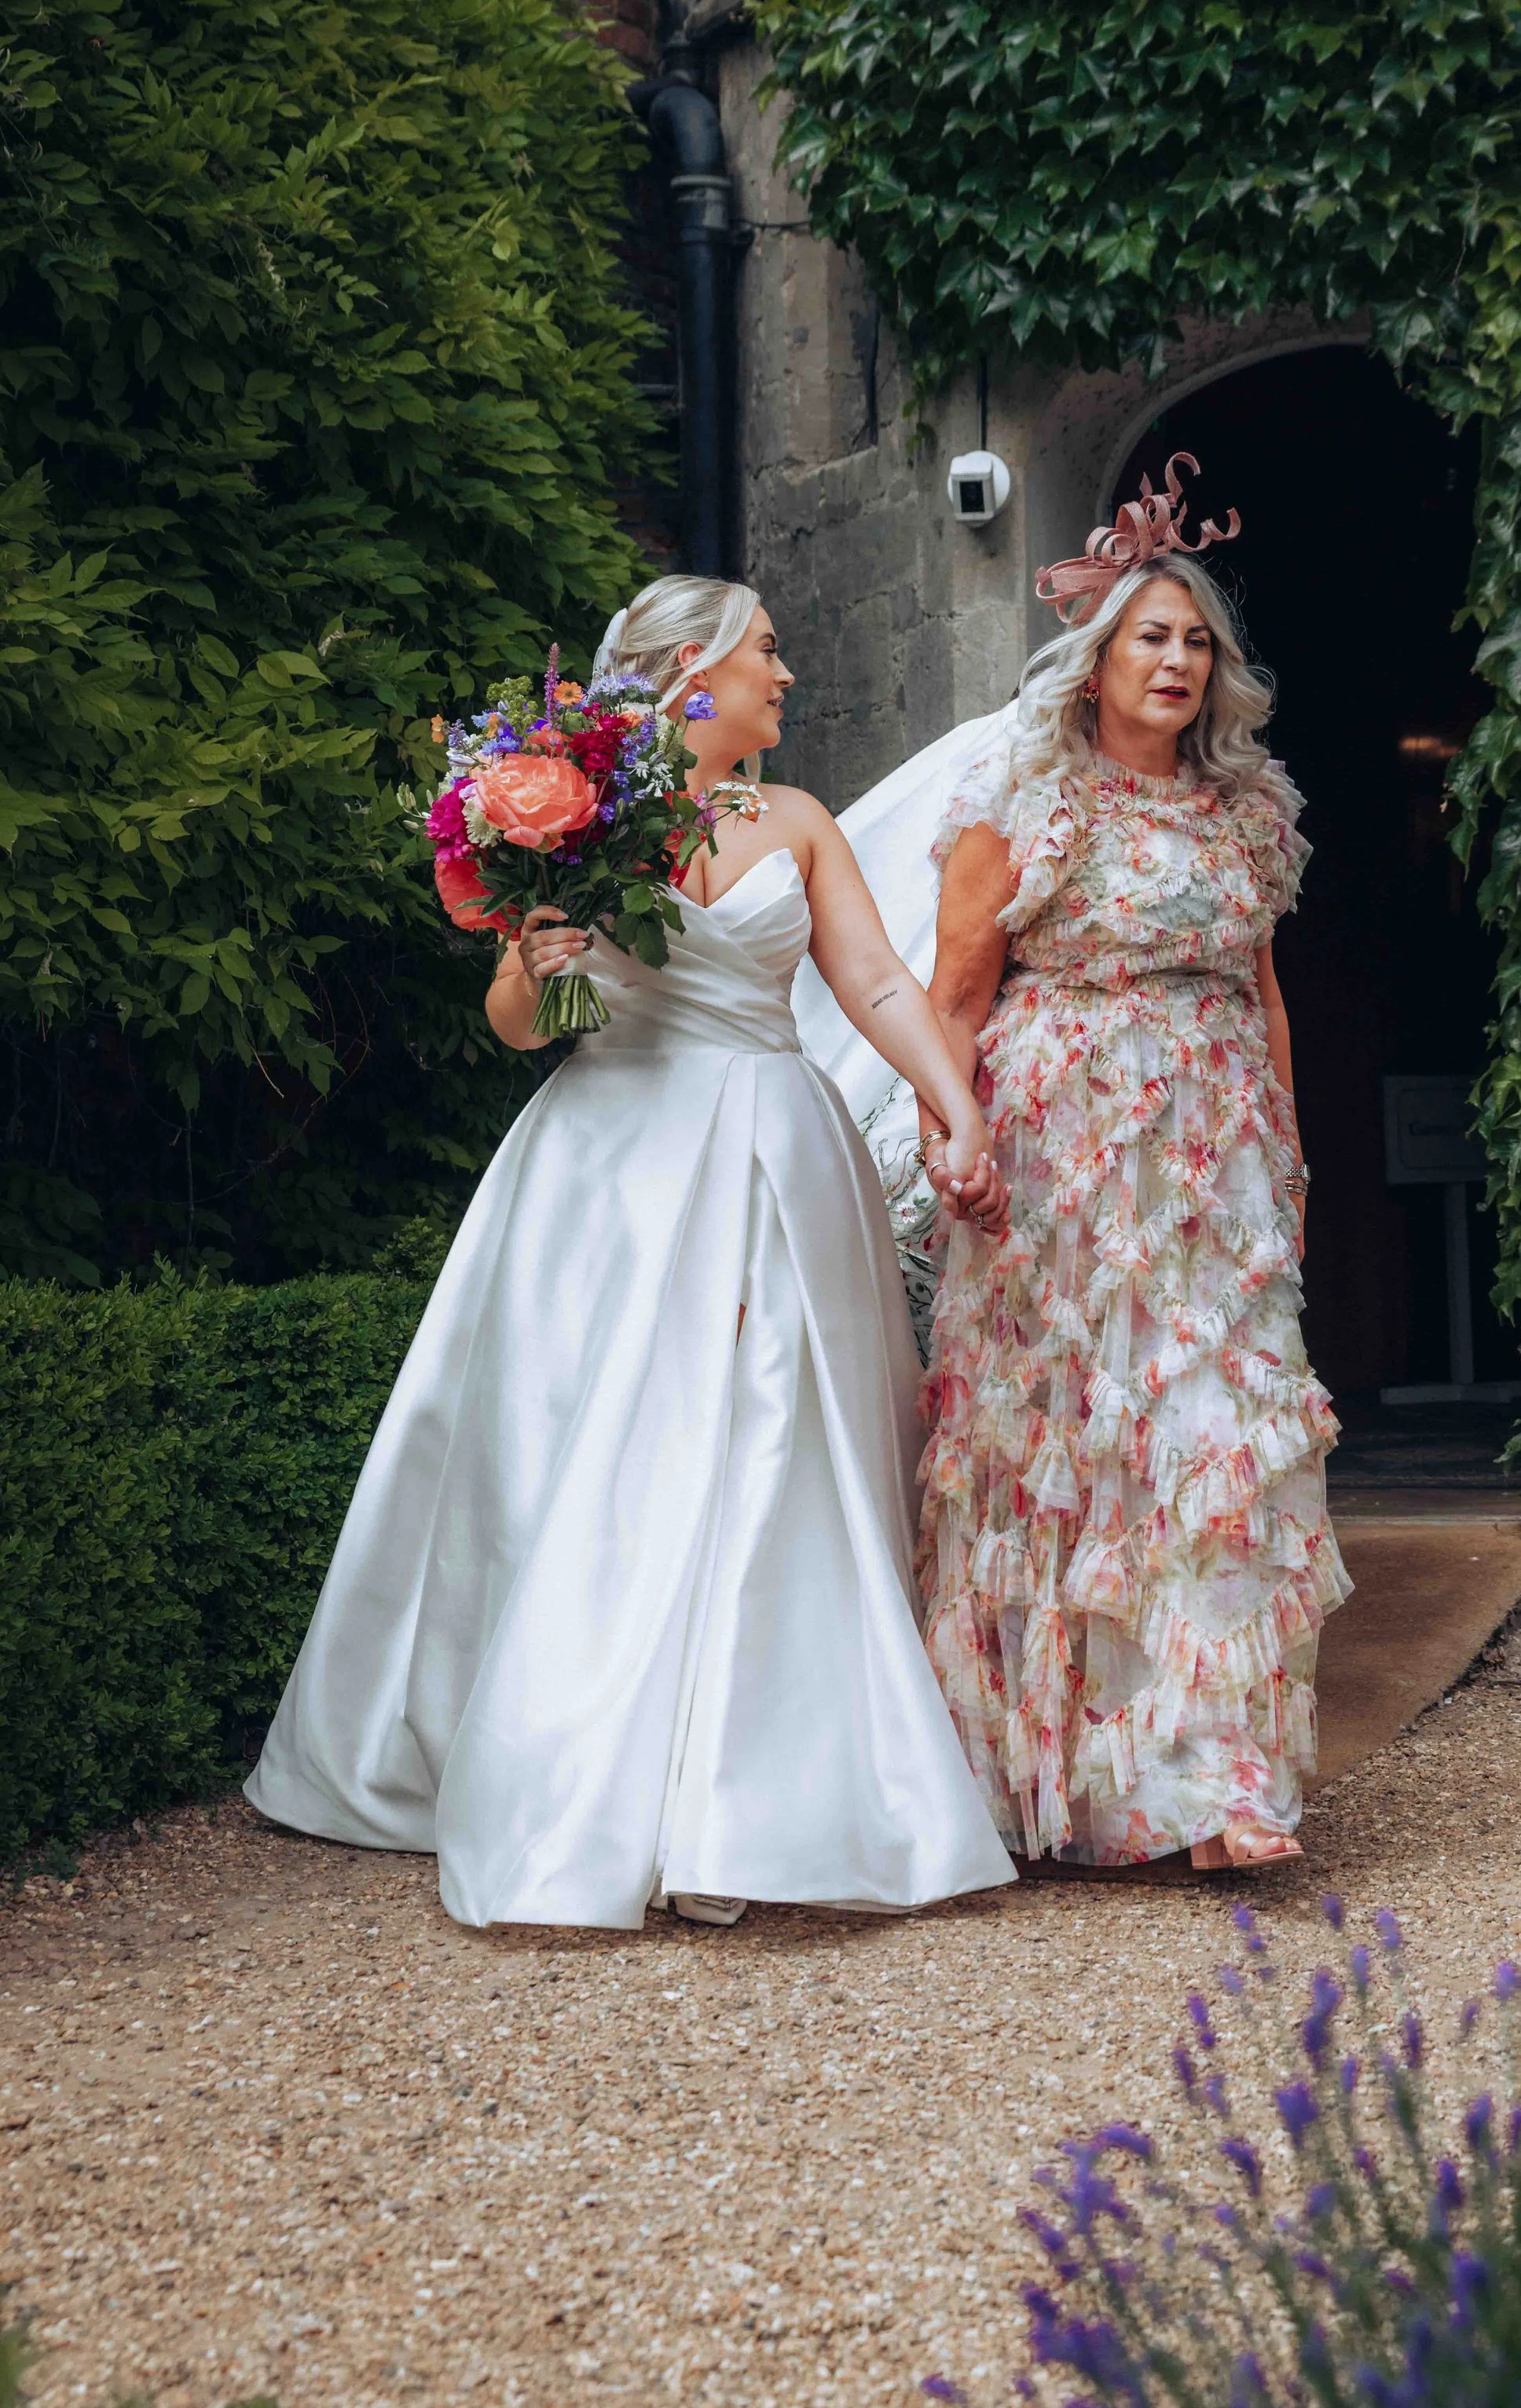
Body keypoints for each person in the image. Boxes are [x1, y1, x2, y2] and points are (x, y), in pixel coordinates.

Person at [246, 577, 1017, 1932]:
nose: (786, 671)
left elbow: (879, 984)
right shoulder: (579, 817)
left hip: (779, 1152)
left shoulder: (798, 820)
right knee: (615, 1457)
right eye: (765, 650)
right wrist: (532, 959)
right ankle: (585, 1776)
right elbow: (520, 1022)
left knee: (781, 1447)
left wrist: (956, 1104)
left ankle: (758, 1786)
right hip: (612, 1165)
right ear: (689, 676)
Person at [912, 460, 1352, 1872]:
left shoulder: (1248, 811)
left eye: (1196, 640)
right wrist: (952, 1138)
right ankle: (1053, 1775)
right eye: (1149, 637)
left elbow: (1265, 989)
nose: (1175, 660)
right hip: (1057, 1168)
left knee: (1217, 1441)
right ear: (1094, 661)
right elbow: (953, 998)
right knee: (1069, 1456)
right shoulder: (1023, 802)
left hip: (1212, 1169)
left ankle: (1216, 1787)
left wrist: (1284, 1153)